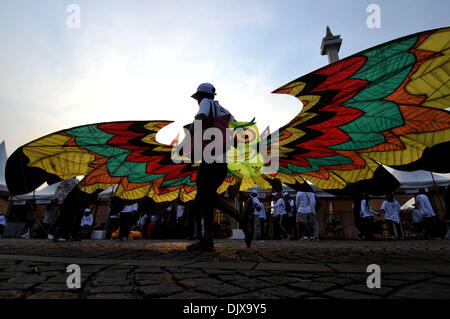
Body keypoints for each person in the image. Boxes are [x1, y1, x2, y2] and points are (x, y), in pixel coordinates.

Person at [182, 83, 238, 251]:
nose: (197, 101)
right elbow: (237, 131)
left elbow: (199, 118)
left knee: (205, 197)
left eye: (197, 98)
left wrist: (188, 138)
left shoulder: (206, 102)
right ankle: (207, 240)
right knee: (207, 199)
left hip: (210, 160)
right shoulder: (225, 111)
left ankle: (242, 219)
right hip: (222, 162)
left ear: (201, 96)